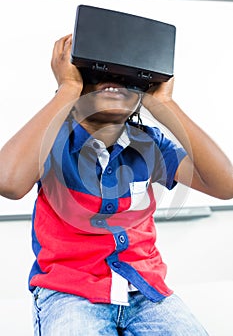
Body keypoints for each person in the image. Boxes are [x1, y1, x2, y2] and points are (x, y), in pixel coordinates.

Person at [0, 34, 233, 336]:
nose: (115, 81)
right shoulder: (52, 140)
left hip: (145, 291)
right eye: (101, 73)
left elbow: (225, 186)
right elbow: (9, 182)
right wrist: (67, 89)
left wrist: (165, 103)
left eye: (128, 78)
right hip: (71, 293)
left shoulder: (149, 144)